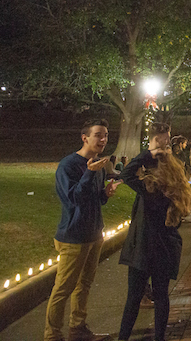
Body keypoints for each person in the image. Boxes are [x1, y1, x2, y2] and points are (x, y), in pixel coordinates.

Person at [117, 123, 191, 341]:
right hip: (166, 247)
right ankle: (159, 337)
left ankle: (124, 337)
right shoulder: (176, 186)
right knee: (161, 297)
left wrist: (146, 154)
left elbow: (126, 173)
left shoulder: (151, 187)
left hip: (144, 247)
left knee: (133, 298)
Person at [44, 119, 117, 341]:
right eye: (98, 135)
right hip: (74, 237)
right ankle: (52, 335)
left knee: (84, 285)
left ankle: (78, 328)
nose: (103, 139)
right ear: (84, 137)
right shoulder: (68, 165)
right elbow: (72, 199)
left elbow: (92, 201)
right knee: (63, 289)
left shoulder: (98, 164)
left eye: (105, 135)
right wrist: (89, 173)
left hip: (94, 234)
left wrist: (105, 194)